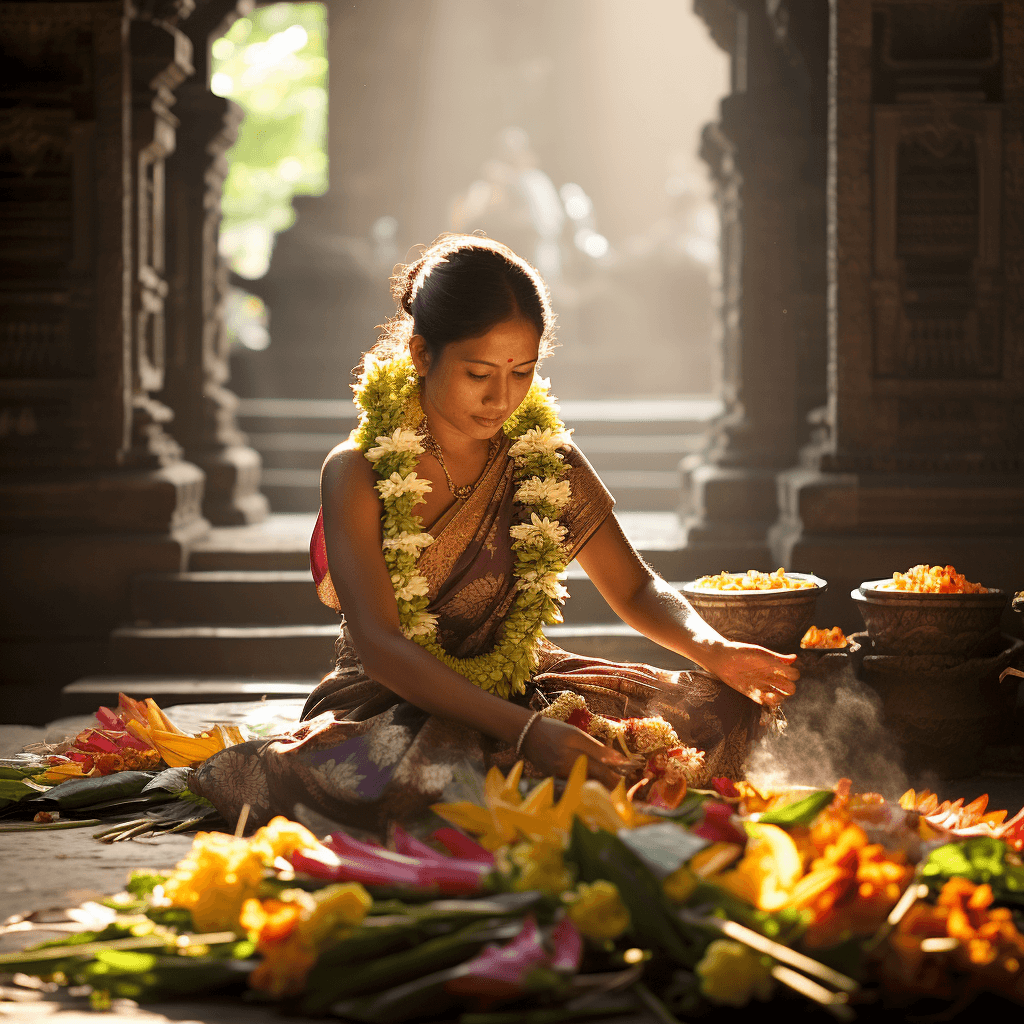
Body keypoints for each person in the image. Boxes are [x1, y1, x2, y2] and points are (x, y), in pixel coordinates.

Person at [191, 234, 799, 834]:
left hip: (521, 683)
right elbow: (379, 645)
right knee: (432, 779)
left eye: (522, 373)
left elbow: (637, 590)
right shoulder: (357, 471)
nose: (500, 397)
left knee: (716, 716)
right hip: (392, 703)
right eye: (479, 372)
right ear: (423, 355)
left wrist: (715, 650)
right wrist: (528, 734)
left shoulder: (544, 458)